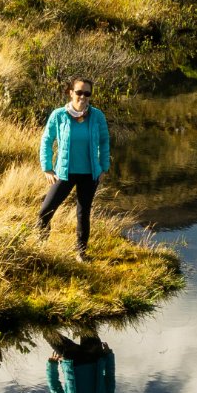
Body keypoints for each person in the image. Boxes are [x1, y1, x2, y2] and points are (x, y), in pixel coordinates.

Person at [35, 78, 113, 259]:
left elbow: (104, 141)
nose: (83, 97)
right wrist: (47, 168)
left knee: (82, 213)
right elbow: (47, 141)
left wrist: (104, 168)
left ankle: (81, 254)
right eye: (79, 92)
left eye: (87, 93)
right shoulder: (58, 115)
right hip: (64, 172)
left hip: (89, 174)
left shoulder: (97, 116)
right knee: (45, 211)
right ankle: (40, 248)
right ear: (70, 92)